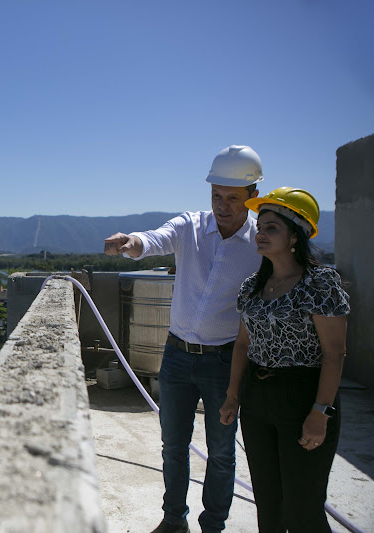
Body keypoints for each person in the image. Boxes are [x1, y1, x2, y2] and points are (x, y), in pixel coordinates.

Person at [104, 145, 264, 533]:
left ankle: (213, 527)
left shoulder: (261, 245)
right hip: (176, 357)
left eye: (232, 198)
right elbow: (154, 238)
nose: (222, 206)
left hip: (225, 362)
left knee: (222, 453)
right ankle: (174, 521)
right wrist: (131, 243)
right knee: (173, 447)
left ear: (253, 197)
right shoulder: (191, 226)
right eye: (216, 196)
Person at [219, 187, 349, 532]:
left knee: (302, 507)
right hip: (258, 398)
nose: (260, 233)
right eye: (260, 226)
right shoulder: (252, 286)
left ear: (296, 236)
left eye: (272, 227)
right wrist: (233, 396)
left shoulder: (320, 283)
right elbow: (243, 345)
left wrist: (320, 412)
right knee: (269, 503)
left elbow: (334, 353)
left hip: (304, 396)